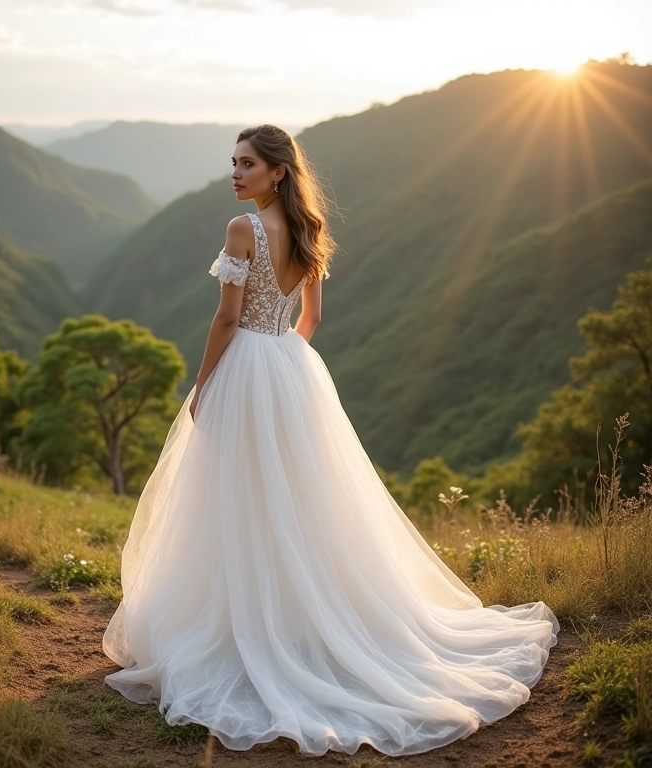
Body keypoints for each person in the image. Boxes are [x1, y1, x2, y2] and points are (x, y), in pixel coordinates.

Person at [102, 123, 559, 757]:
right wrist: (283, 367)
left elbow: (227, 317)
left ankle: (248, 619)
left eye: (247, 164)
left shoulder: (243, 229)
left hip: (246, 366)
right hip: (290, 368)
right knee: (298, 498)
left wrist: (206, 385)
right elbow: (310, 318)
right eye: (233, 162)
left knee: (236, 493)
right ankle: (301, 614)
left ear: (277, 171)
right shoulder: (308, 230)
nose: (235, 173)